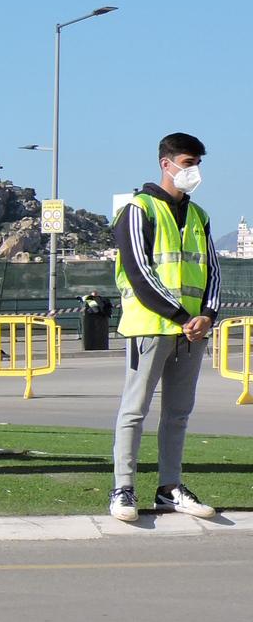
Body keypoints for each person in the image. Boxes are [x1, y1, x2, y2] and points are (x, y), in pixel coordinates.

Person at [109, 133, 221, 522]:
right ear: (167, 163)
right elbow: (140, 273)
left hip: (191, 333)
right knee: (134, 410)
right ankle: (123, 488)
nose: (195, 172)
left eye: (197, 164)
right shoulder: (138, 209)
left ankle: (169, 487)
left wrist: (208, 314)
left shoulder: (199, 215)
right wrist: (182, 317)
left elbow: (212, 271)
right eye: (189, 163)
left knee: (178, 412)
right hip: (151, 327)